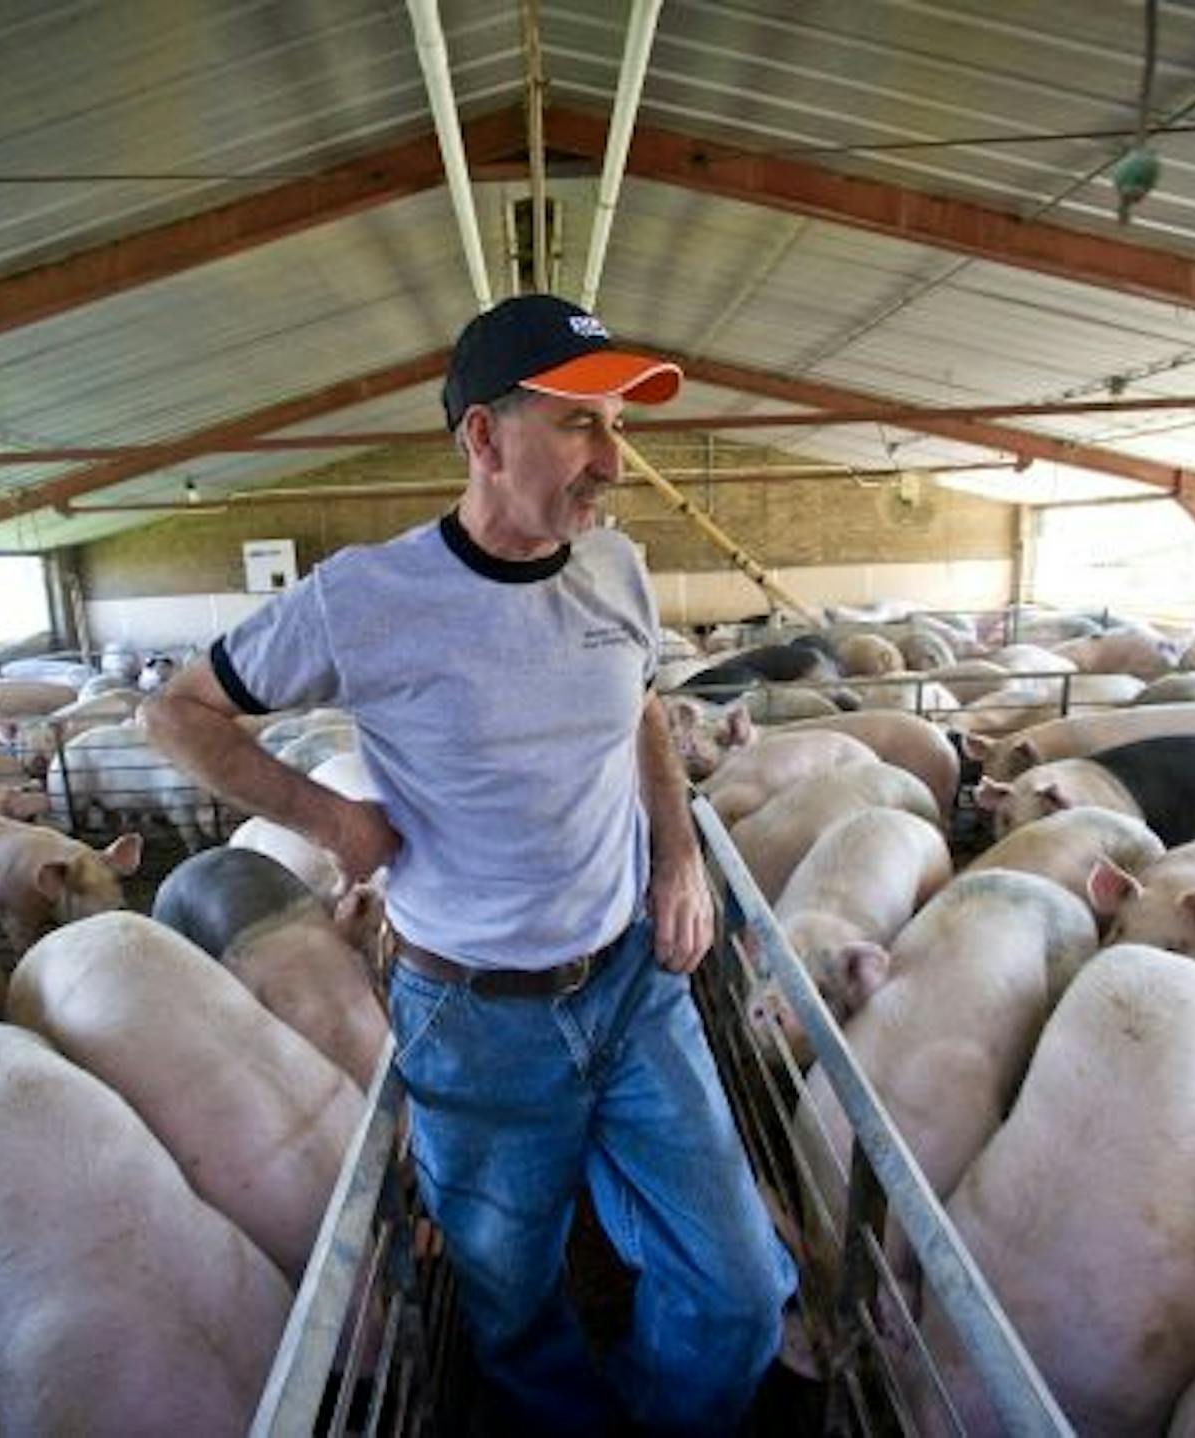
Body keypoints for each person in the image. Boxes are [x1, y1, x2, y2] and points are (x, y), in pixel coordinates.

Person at [145, 292, 796, 1435]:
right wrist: (333, 820)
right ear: (483, 439)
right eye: (581, 425)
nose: (613, 461)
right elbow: (182, 714)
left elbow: (640, 704)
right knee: (509, 1296)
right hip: (475, 1018)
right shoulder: (365, 598)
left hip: (635, 985)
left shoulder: (621, 573)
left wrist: (678, 856)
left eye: (617, 428)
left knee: (742, 1289)